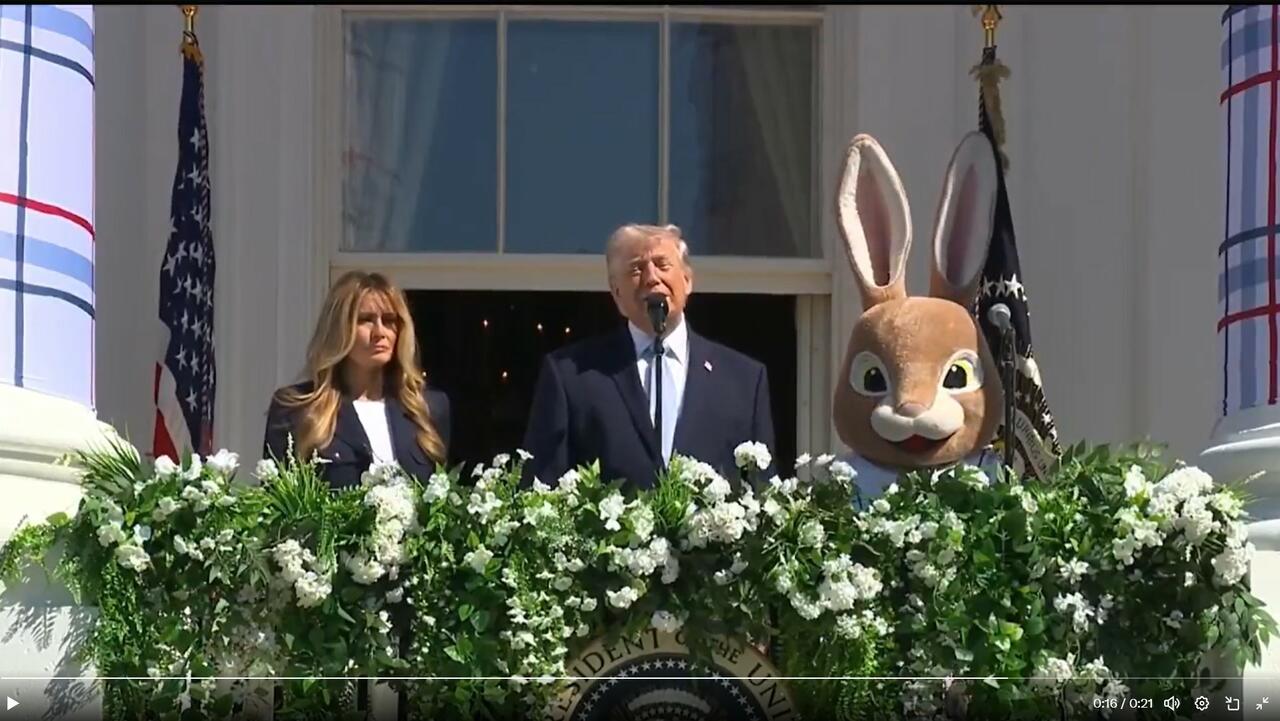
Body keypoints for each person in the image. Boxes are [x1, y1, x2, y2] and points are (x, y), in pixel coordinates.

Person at [522, 224, 776, 490]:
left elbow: (762, 494)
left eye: (662, 265)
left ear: (687, 280)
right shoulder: (571, 376)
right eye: (636, 269)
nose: (652, 278)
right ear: (617, 293)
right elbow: (541, 489)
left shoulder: (744, 380)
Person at [262, 270, 451, 489]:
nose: (380, 332)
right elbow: (276, 506)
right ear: (339, 328)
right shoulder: (297, 408)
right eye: (365, 320)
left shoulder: (428, 408)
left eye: (389, 320)